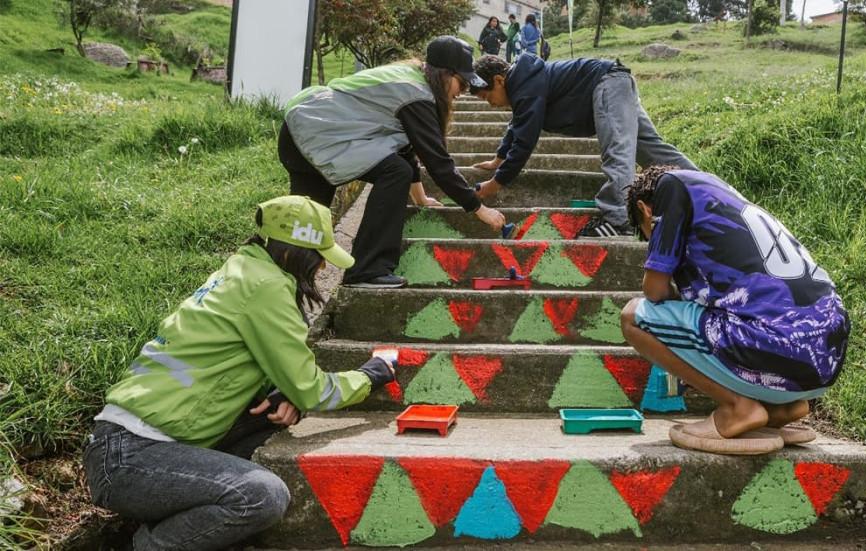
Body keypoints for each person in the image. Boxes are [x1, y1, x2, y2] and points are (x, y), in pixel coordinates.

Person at [82, 196, 399, 549]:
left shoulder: (241, 271)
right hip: (132, 454)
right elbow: (313, 390)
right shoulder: (268, 287)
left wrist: (280, 391)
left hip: (123, 443)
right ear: (295, 253)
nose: (323, 268)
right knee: (262, 495)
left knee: (268, 430)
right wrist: (369, 375)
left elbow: (243, 361)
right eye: (319, 256)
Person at [619, 167, 850, 455]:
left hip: (775, 340)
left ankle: (737, 408)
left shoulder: (671, 187)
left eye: (646, 232)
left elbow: (654, 291)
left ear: (644, 208)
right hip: (827, 356)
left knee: (632, 318)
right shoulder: (722, 196)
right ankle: (783, 408)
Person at [278, 36, 506, 289]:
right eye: (461, 83)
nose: (461, 92)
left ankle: (286, 284)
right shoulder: (417, 95)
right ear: (445, 74)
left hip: (308, 128)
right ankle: (367, 271)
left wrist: (419, 198)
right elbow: (438, 163)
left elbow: (404, 146)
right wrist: (479, 209)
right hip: (313, 132)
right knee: (394, 172)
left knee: (308, 222)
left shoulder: (413, 79)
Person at [470, 55, 697, 239]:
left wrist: (495, 184)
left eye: (486, 95)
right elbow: (518, 126)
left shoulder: (524, 83)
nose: (489, 103)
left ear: (500, 80)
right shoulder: (526, 82)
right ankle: (703, 187)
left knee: (617, 151)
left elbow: (524, 141)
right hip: (614, 81)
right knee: (651, 149)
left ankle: (617, 220)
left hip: (607, 84)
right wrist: (498, 160)